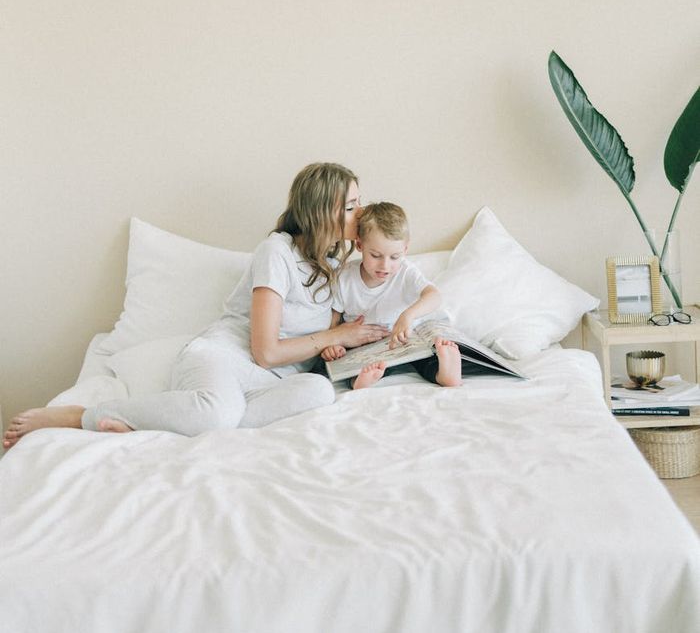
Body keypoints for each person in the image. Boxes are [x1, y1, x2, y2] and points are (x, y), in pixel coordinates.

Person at [3, 163, 388, 448]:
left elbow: (326, 342)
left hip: (272, 383)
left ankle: (162, 425)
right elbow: (266, 351)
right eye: (351, 206)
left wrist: (345, 342)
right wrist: (334, 334)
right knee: (218, 412)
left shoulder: (336, 266)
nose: (361, 212)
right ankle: (84, 416)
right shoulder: (277, 252)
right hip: (226, 359)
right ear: (323, 211)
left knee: (320, 392)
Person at [319, 201, 464, 390]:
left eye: (394, 257)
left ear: (405, 249)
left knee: (426, 357)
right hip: (364, 346)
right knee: (357, 364)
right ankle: (361, 381)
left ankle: (445, 374)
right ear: (360, 245)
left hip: (403, 343)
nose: (385, 266)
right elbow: (334, 323)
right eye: (376, 256)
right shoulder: (344, 277)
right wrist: (333, 345)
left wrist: (408, 316)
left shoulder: (406, 272)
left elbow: (434, 296)